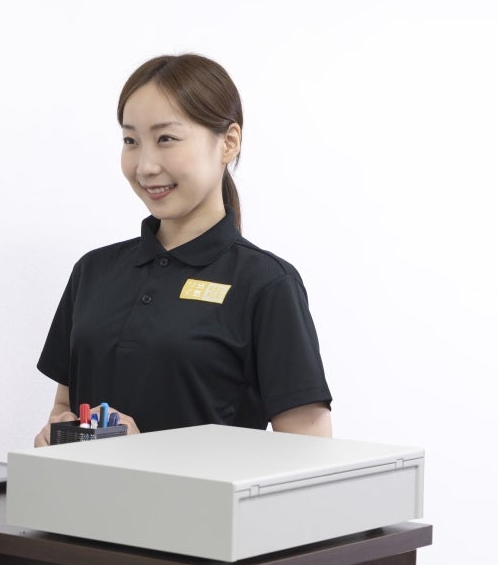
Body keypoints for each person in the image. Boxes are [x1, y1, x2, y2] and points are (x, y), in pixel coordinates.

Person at [34, 54, 332, 447]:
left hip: (204, 510)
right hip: (84, 506)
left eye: (166, 139)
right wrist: (56, 435)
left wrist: (145, 454)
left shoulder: (266, 283)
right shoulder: (93, 271)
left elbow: (307, 457)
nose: (145, 166)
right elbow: (65, 407)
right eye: (130, 141)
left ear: (228, 142)